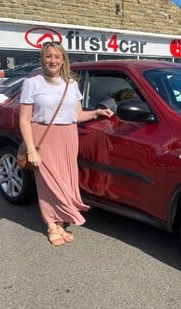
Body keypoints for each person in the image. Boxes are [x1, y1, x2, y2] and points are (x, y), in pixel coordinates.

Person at [19, 41, 114, 246]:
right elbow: (24, 119)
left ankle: (60, 221)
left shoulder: (71, 84)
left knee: (65, 180)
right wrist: (31, 149)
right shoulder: (32, 83)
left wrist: (96, 112)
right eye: (48, 56)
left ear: (63, 60)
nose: (52, 60)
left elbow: (77, 114)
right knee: (48, 182)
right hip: (43, 136)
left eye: (56, 56)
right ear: (43, 58)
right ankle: (51, 224)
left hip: (68, 137)